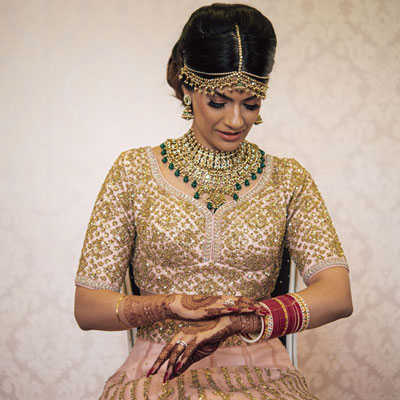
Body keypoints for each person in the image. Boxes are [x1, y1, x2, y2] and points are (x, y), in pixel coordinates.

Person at [74, 3, 353, 399]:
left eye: (251, 103)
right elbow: (88, 307)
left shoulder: (289, 180)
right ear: (187, 87)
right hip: (158, 371)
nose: (237, 121)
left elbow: (338, 295)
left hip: (261, 373)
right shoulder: (133, 172)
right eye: (219, 101)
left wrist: (240, 321)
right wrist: (168, 305)